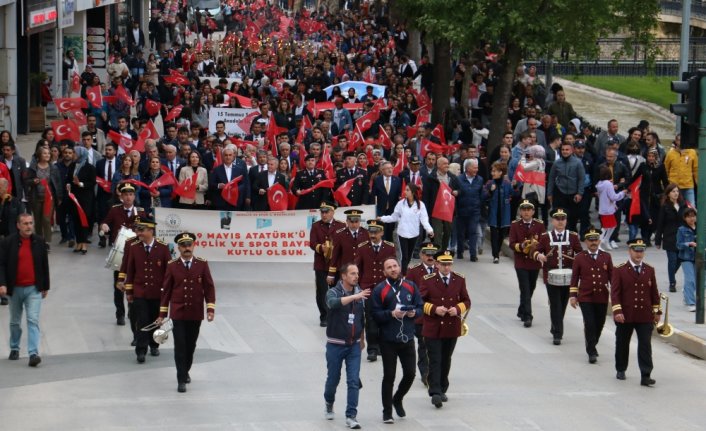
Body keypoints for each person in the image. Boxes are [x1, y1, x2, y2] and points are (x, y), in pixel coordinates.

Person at [157, 232, 216, 393]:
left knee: (191, 345)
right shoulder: (172, 265)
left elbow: (209, 288)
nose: (187, 248)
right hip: (178, 313)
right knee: (180, 346)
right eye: (183, 246)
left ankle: (186, 370)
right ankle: (181, 378)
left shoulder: (202, 265)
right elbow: (166, 291)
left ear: (194, 246)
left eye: (189, 245)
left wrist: (210, 309)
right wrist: (162, 314)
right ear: (179, 248)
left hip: (195, 313)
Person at [371, 257, 423, 424]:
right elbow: (375, 315)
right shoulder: (380, 289)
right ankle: (387, 412)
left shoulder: (410, 286)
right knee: (389, 376)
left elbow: (420, 306)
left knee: (410, 374)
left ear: (399, 267)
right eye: (389, 267)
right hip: (388, 340)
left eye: (395, 266)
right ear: (384, 271)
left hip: (407, 337)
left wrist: (414, 312)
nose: (393, 269)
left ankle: (398, 398)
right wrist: (391, 314)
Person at [420, 251, 471, 408]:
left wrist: (457, 309)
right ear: (437, 265)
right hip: (433, 327)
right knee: (435, 358)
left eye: (449, 264)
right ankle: (435, 391)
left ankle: (442, 387)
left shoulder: (459, 279)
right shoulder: (428, 280)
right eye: (443, 264)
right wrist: (434, 309)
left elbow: (466, 300)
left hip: (451, 326)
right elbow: (419, 302)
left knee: (446, 358)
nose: (446, 267)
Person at [0, 214, 50, 366]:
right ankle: (14, 347)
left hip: (33, 289)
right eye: (25, 223)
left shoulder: (39, 241)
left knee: (32, 320)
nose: (29, 226)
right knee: (15, 321)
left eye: (30, 223)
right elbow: (1, 264)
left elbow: (44, 264)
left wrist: (45, 286)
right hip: (14, 289)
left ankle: (33, 353)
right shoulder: (8, 242)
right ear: (18, 225)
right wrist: (2, 283)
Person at [323, 263, 369, 430]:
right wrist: (353, 298)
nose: (356, 276)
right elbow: (332, 303)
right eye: (352, 274)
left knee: (353, 381)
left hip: (354, 346)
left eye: (357, 273)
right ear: (343, 276)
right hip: (335, 345)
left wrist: (362, 339)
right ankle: (329, 402)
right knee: (333, 379)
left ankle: (351, 416)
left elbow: (360, 318)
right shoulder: (333, 292)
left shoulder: (360, 293)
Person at [611, 238, 661, 387]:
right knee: (622, 342)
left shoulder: (649, 269)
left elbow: (654, 292)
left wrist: (657, 311)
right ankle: (621, 368)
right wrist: (617, 311)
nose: (638, 254)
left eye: (641, 251)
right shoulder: (619, 269)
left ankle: (646, 374)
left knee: (645, 344)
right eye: (635, 251)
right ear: (629, 251)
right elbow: (615, 293)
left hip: (644, 314)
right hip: (626, 314)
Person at [124, 216, 171, 363]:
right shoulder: (134, 248)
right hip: (140, 293)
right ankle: (141, 350)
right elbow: (130, 271)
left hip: (158, 293)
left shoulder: (163, 248)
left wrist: (168, 294)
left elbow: (168, 273)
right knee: (142, 321)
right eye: (138, 230)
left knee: (157, 321)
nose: (139, 233)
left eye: (142, 230)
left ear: (151, 230)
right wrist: (129, 292)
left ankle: (155, 344)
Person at [534, 208, 583, 345]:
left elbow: (580, 253)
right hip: (551, 277)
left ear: (566, 221)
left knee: (562, 304)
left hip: (568, 277)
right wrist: (540, 256)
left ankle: (555, 325)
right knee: (555, 304)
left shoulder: (572, 236)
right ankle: (558, 334)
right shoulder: (545, 237)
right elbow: (536, 251)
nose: (560, 222)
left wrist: (578, 259)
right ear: (553, 221)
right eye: (558, 219)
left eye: (563, 219)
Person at [100, 183, 145, 326]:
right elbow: (105, 223)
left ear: (134, 196)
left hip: (136, 253)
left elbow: (148, 230)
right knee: (119, 285)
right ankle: (120, 313)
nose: (128, 197)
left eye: (131, 194)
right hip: (120, 254)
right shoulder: (114, 210)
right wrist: (104, 226)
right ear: (121, 196)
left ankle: (132, 311)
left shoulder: (141, 212)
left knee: (134, 284)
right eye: (125, 194)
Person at [569, 227, 613, 363]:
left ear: (599, 241)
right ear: (585, 242)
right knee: (589, 323)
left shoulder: (606, 257)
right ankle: (591, 351)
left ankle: (592, 343)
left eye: (595, 240)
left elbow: (613, 277)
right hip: (586, 296)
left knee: (599, 323)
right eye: (590, 240)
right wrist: (573, 295)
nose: (593, 243)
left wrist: (618, 295)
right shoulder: (580, 257)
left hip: (602, 296)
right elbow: (574, 277)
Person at [355, 219, 396, 362]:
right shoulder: (362, 247)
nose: (372, 235)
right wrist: (356, 286)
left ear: (382, 233)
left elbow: (394, 268)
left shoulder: (390, 248)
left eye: (376, 232)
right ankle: (372, 348)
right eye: (370, 232)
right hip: (368, 289)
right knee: (371, 319)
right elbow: (357, 268)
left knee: (385, 319)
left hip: (385, 289)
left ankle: (381, 346)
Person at [378, 183, 434, 274]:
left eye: (407, 190)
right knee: (404, 255)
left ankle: (402, 270)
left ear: (412, 192)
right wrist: (382, 218)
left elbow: (424, 219)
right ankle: (403, 274)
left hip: (414, 234)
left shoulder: (420, 205)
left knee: (409, 256)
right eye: (405, 189)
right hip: (402, 233)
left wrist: (430, 230)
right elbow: (394, 217)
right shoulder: (401, 204)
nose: (405, 191)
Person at [508, 199, 545, 327]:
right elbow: (511, 243)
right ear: (520, 211)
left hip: (534, 262)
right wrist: (521, 246)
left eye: (529, 210)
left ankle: (521, 309)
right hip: (521, 262)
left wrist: (537, 247)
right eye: (524, 210)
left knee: (531, 287)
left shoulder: (539, 225)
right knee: (525, 288)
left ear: (533, 212)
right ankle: (528, 316)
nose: (526, 212)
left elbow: (543, 242)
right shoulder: (515, 225)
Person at [404, 242, 438, 385]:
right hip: (421, 316)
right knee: (423, 344)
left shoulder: (440, 269)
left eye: (433, 254)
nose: (430, 257)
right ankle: (425, 373)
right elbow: (407, 293)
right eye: (427, 254)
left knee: (436, 346)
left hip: (437, 316)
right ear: (421, 255)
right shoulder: (414, 271)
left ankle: (435, 372)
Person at [309, 201, 345, 327]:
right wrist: (320, 248)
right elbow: (312, 243)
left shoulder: (341, 225)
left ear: (332, 212)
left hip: (336, 264)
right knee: (322, 292)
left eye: (326, 212)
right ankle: (324, 316)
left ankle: (336, 315)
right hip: (321, 264)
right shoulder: (316, 226)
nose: (324, 215)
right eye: (322, 212)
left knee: (337, 290)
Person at [546, 140, 585, 232]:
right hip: (559, 193)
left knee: (573, 217)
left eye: (567, 149)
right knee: (559, 215)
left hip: (574, 194)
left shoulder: (578, 163)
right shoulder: (557, 163)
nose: (565, 151)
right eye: (563, 149)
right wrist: (549, 194)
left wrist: (580, 193)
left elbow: (581, 179)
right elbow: (551, 179)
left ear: (571, 151)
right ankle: (559, 234)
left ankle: (572, 236)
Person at [654, 183, 685, 292]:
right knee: (672, 260)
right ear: (668, 194)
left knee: (680, 259)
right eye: (673, 191)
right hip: (669, 238)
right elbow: (660, 224)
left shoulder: (683, 204)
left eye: (677, 191)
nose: (676, 193)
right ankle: (672, 282)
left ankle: (671, 273)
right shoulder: (665, 207)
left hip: (682, 238)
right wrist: (658, 240)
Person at [327, 209, 370, 284]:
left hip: (362, 271)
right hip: (346, 272)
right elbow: (335, 255)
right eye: (351, 222)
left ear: (360, 221)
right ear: (347, 221)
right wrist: (331, 274)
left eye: (356, 222)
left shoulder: (366, 233)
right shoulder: (340, 234)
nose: (354, 224)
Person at [484, 161, 514, 263]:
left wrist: (515, 186)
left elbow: (514, 194)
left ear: (501, 172)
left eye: (495, 171)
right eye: (492, 171)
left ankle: (497, 250)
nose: (492, 173)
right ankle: (495, 255)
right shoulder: (489, 183)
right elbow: (483, 196)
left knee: (501, 235)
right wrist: (490, 192)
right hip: (493, 213)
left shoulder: (507, 184)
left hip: (504, 214)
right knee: (494, 235)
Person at [68, 147, 96, 254]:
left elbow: (92, 182)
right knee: (75, 220)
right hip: (74, 198)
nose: (73, 154)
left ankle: (84, 243)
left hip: (85, 199)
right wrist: (69, 186)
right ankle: (78, 242)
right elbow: (69, 179)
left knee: (83, 220)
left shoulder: (90, 168)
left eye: (75, 152)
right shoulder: (72, 165)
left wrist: (80, 184)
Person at [455, 158, 483, 261]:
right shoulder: (459, 179)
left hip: (474, 211)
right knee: (461, 233)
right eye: (474, 167)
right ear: (467, 168)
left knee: (473, 232)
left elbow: (480, 194)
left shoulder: (479, 179)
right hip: (461, 210)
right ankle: (460, 251)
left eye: (477, 168)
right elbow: (455, 193)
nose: (476, 170)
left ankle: (473, 254)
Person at [595, 166, 627, 251]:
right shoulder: (608, 184)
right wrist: (622, 193)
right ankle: (600, 242)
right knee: (606, 227)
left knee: (612, 225)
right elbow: (613, 197)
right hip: (608, 210)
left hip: (604, 209)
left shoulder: (600, 183)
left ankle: (605, 240)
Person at [663, 133, 697, 207]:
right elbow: (665, 169)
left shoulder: (692, 152)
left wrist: (698, 184)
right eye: (679, 140)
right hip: (674, 185)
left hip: (688, 185)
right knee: (674, 207)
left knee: (691, 207)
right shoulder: (670, 153)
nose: (681, 142)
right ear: (676, 141)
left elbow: (695, 169)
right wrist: (667, 183)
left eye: (683, 140)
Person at [372, 161, 402, 242]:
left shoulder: (397, 180)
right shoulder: (377, 180)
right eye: (387, 168)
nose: (390, 170)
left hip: (393, 209)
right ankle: (382, 245)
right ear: (382, 170)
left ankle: (390, 246)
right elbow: (374, 194)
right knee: (381, 229)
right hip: (381, 209)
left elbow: (399, 194)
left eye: (391, 168)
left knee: (390, 230)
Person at [676, 208, 697, 312]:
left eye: (693, 216)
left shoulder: (701, 227)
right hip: (686, 258)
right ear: (685, 218)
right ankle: (691, 302)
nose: (691, 218)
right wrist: (688, 244)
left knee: (700, 281)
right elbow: (678, 245)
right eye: (689, 216)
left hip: (700, 257)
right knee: (690, 280)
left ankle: (686, 292)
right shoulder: (681, 229)